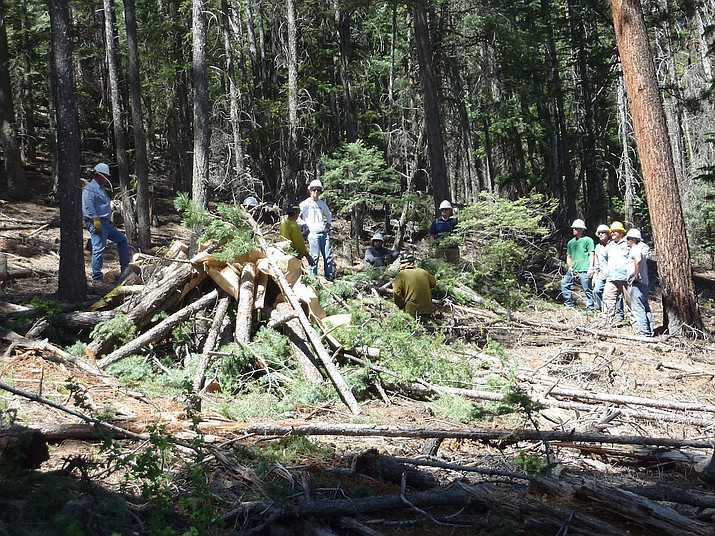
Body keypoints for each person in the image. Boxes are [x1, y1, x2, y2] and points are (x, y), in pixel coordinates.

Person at [82, 163, 130, 285]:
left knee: (122, 240)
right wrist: (94, 219)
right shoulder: (90, 188)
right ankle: (96, 278)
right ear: (98, 175)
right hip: (97, 222)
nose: (106, 179)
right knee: (98, 248)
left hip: (106, 223)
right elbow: (88, 205)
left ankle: (125, 268)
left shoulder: (100, 188)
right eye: (104, 176)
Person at [299, 179, 334, 281]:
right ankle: (312, 278)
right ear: (310, 191)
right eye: (314, 190)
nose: (316, 192)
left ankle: (329, 277)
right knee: (314, 256)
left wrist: (328, 224)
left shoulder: (322, 204)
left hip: (323, 232)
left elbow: (328, 214)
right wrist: (304, 225)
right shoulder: (305, 203)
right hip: (313, 233)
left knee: (328, 256)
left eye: (318, 190)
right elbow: (296, 215)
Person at [560, 219, 595, 311]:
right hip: (573, 270)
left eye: (576, 228)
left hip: (584, 269)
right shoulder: (570, 242)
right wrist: (570, 267)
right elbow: (569, 257)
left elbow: (591, 254)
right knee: (564, 283)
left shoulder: (588, 240)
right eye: (573, 228)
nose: (573, 230)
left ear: (581, 229)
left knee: (587, 289)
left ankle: (590, 308)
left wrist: (591, 267)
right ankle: (569, 304)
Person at [626, 228, 654, 337]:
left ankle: (644, 332)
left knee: (638, 309)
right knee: (645, 307)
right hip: (644, 284)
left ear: (633, 239)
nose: (626, 241)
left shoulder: (635, 249)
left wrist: (636, 275)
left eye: (628, 238)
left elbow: (637, 260)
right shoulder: (639, 249)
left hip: (637, 283)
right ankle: (649, 331)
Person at [601, 221, 631, 323]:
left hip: (626, 279)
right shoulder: (609, 246)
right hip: (612, 278)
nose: (613, 233)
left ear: (621, 232)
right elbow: (603, 258)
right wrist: (605, 271)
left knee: (631, 302)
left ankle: (637, 327)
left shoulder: (628, 244)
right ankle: (607, 323)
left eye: (615, 231)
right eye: (612, 231)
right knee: (607, 299)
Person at [392, 251, 436, 316]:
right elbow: (433, 283)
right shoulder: (423, 272)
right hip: (428, 310)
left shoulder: (401, 275)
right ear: (413, 262)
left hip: (411, 310)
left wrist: (400, 306)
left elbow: (396, 292)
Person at [591, 224, 611, 311]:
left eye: (603, 233)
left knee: (617, 295)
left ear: (607, 234)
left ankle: (618, 314)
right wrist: (595, 274)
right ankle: (602, 308)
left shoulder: (613, 245)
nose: (601, 234)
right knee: (596, 290)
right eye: (599, 233)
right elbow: (597, 262)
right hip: (602, 274)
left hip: (612, 274)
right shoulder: (598, 247)